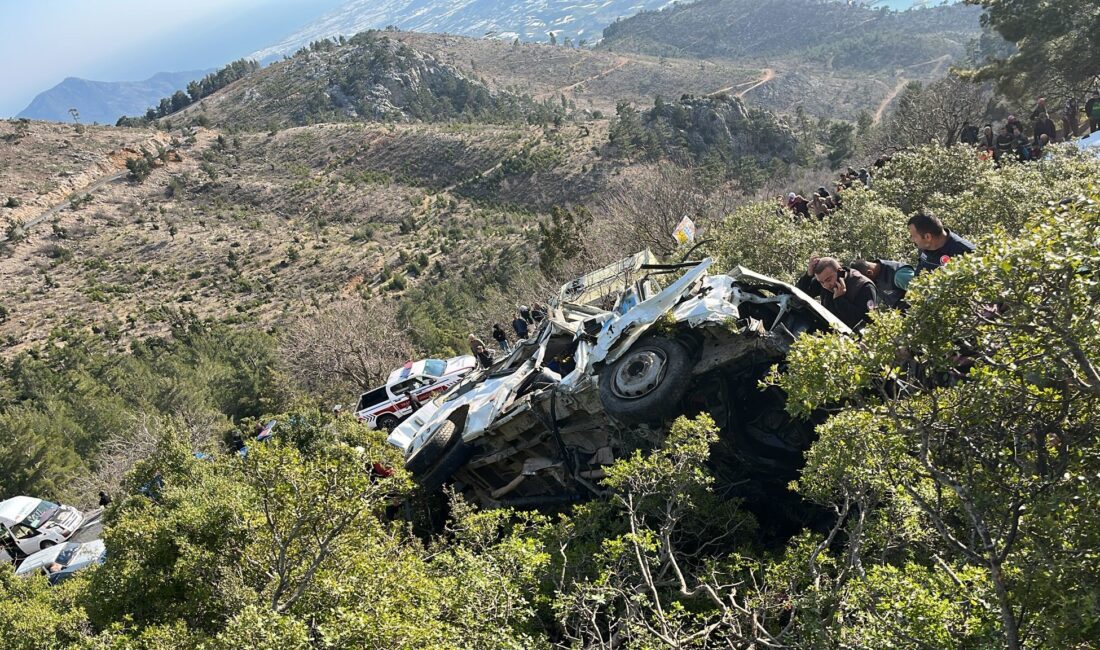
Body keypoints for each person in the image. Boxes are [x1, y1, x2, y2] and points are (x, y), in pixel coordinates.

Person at [796, 257, 878, 331]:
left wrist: (840, 300)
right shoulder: (825, 282)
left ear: (840, 272)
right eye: (821, 282)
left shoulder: (863, 286)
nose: (826, 285)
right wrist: (808, 275)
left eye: (829, 280)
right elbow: (800, 295)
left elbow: (866, 322)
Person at [907, 212, 975, 275]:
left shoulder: (966, 252)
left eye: (913, 236)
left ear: (928, 237)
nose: (912, 240)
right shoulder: (924, 246)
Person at [849, 258, 915, 309]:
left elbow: (921, 291)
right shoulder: (876, 279)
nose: (865, 283)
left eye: (863, 280)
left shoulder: (898, 275)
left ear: (869, 273)